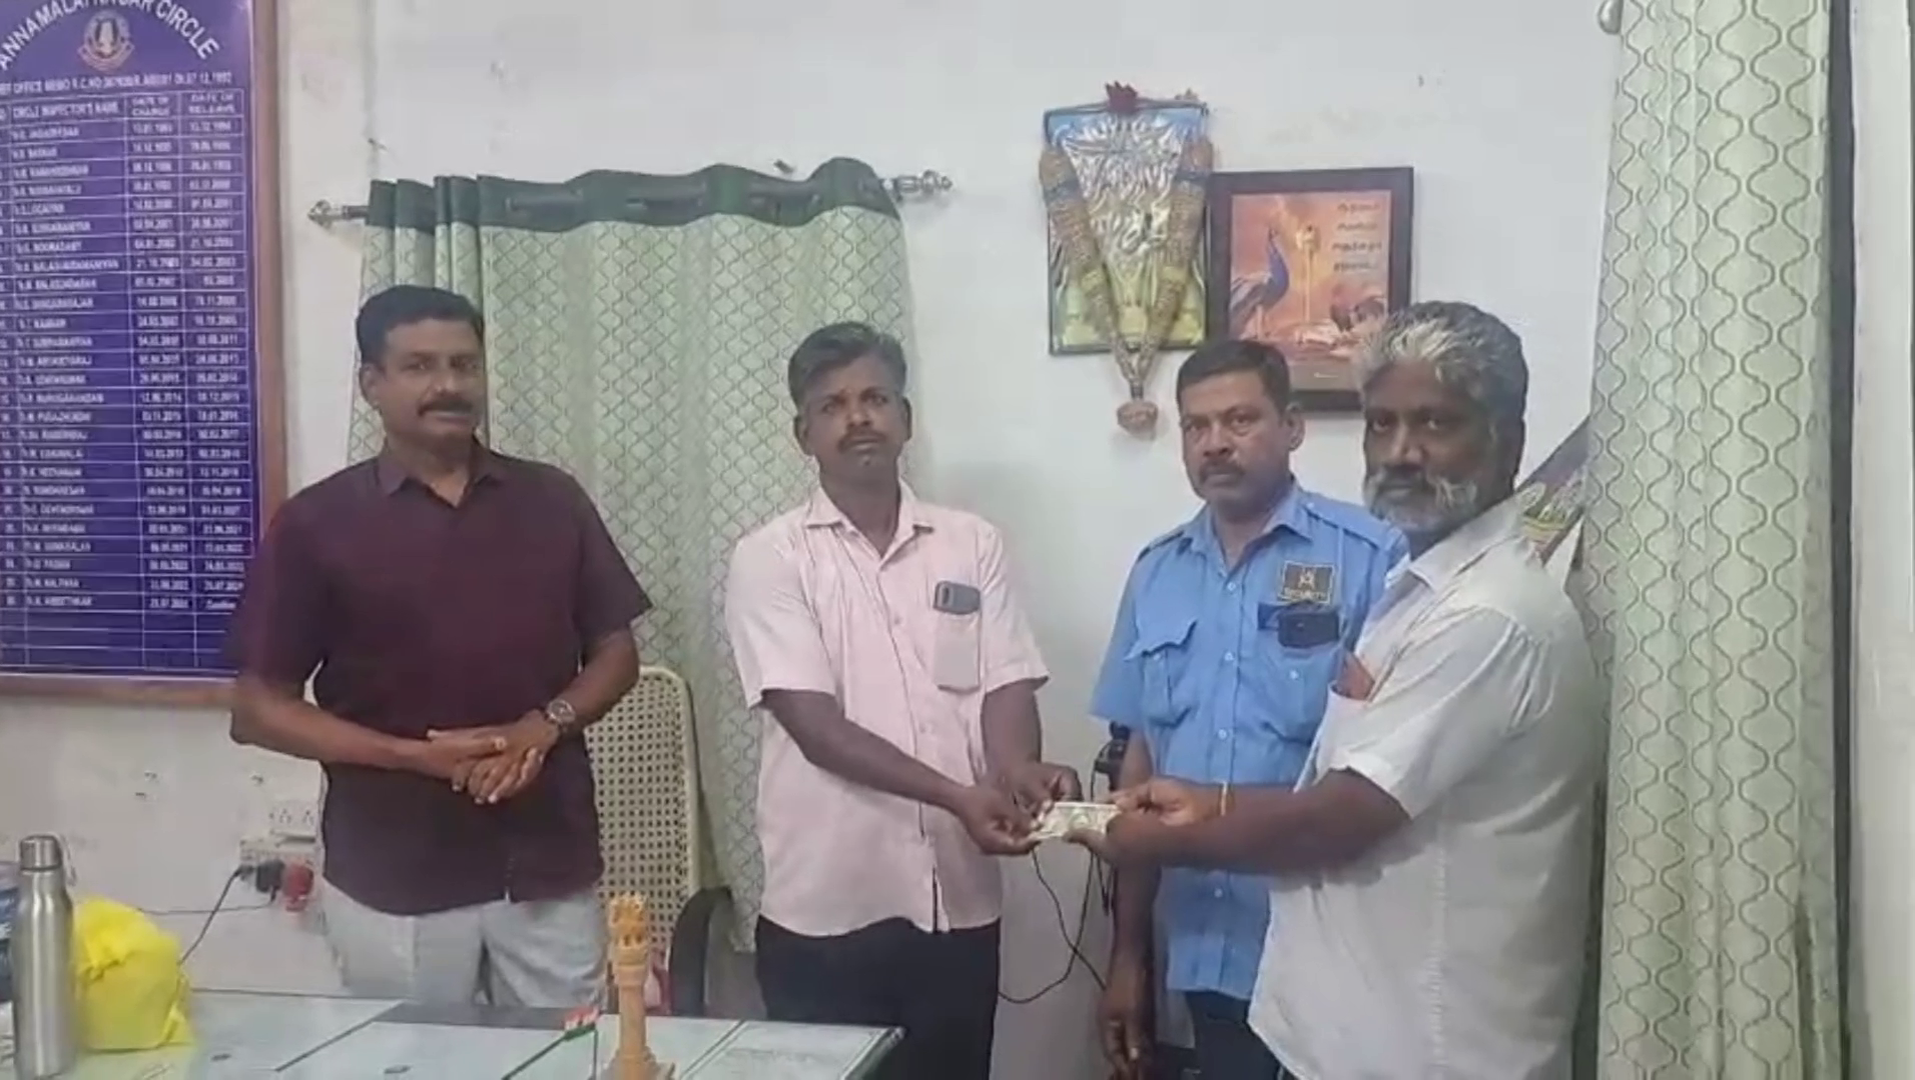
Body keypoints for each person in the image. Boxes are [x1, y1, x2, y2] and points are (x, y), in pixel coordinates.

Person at [1075, 301, 1600, 1078]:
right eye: (1380, 424)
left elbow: (1342, 815)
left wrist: (1165, 831)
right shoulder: (1166, 572)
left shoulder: (1426, 585)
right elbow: (1145, 755)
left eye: (1434, 423)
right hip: (1253, 971)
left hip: (1423, 1031)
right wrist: (1131, 950)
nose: (1401, 452)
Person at [227, 285, 650, 1007]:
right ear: (372, 384)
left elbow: (616, 652)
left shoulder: (551, 500)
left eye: (464, 364)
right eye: (419, 366)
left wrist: (543, 725)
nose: (448, 385)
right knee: (417, 1056)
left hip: (545, 863)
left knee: (571, 1052)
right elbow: (257, 710)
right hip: (396, 872)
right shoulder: (317, 523)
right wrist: (412, 757)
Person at [723, 321, 1081, 1080]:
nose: (858, 418)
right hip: (826, 909)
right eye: (832, 405)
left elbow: (1004, 678)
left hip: (958, 901)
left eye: (876, 398)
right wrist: (958, 795)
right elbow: (815, 727)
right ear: (802, 435)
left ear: (905, 418)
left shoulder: (970, 543)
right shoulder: (770, 557)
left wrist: (1017, 767)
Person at [1088, 340, 1403, 1080]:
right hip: (1207, 945)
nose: (1215, 444)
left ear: (1291, 426)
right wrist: (1128, 955)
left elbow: (1395, 763)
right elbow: (1138, 770)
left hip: (1335, 951)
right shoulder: (1156, 572)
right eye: (1196, 426)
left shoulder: (1371, 557)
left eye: (1239, 420)